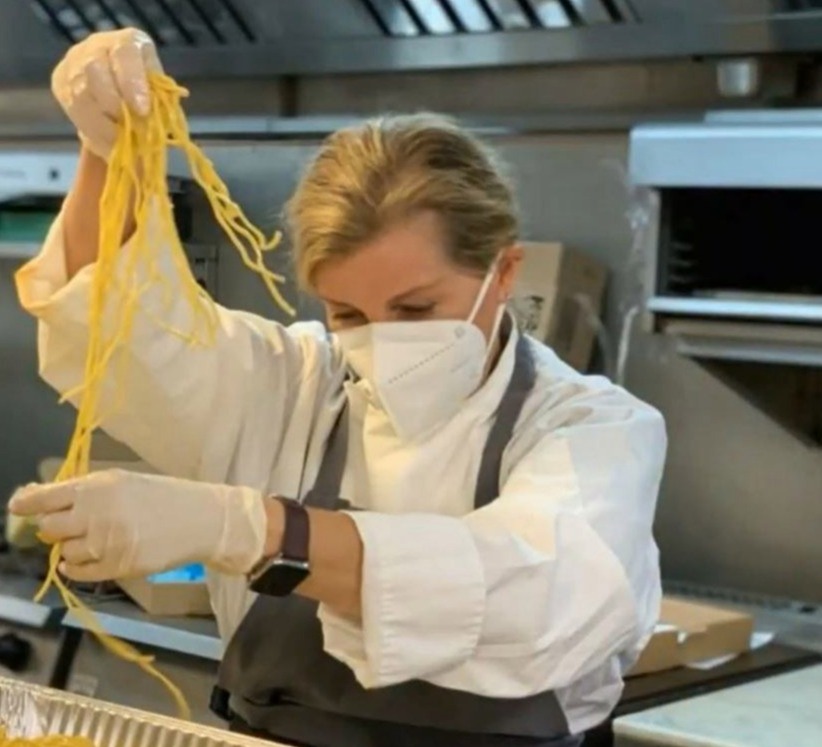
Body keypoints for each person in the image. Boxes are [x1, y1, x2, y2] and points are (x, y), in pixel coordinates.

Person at [10, 28, 666, 747]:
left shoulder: (593, 426)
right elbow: (121, 335)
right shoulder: (294, 385)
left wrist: (253, 529)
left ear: (502, 274)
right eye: (347, 313)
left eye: (416, 309)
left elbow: (532, 592)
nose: (383, 340)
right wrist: (113, 154)